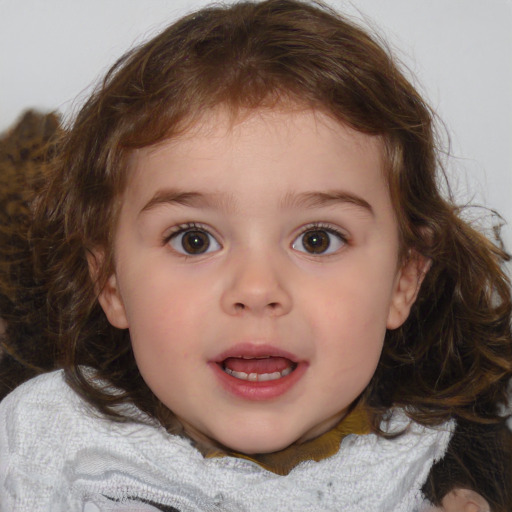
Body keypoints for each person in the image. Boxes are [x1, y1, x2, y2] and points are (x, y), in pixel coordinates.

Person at [0, 0, 511, 510]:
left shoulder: (440, 470)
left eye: (317, 239)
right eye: (193, 239)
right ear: (111, 282)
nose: (257, 289)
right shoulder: (48, 449)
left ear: (404, 280)